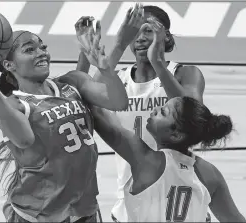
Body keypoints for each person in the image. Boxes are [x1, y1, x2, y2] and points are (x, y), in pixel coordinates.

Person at [0, 17, 128, 222]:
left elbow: (118, 102)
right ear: (9, 64)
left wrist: (104, 67)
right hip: (38, 215)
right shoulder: (16, 105)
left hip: (83, 209)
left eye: (42, 47)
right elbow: (24, 140)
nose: (42, 53)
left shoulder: (72, 82)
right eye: (30, 50)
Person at [79, 4, 206, 222]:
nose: (140, 37)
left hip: (179, 192)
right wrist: (117, 44)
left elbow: (193, 115)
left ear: (165, 36)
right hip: (132, 193)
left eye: (148, 30)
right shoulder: (118, 79)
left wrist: (158, 63)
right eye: (134, 31)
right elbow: (88, 97)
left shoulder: (185, 73)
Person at [91, 96, 246, 222]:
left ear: (176, 135)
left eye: (163, 112)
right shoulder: (211, 174)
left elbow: (97, 112)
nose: (155, 109)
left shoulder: (147, 161)